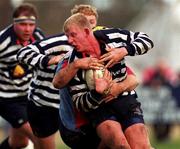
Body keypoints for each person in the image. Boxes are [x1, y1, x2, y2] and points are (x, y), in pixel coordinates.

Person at [54, 13, 154, 149]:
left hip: (126, 100)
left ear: (86, 31)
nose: (70, 41)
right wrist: (97, 93)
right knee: (121, 146)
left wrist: (124, 51)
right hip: (99, 108)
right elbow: (80, 103)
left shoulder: (112, 37)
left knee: (142, 146)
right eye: (67, 37)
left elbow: (146, 40)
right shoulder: (74, 62)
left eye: (73, 35)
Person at [0, 3, 45, 149]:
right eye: (23, 24)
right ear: (14, 23)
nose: (27, 29)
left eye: (31, 24)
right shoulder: (2, 42)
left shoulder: (38, 36)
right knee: (39, 136)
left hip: (29, 97)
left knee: (19, 143)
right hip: (7, 100)